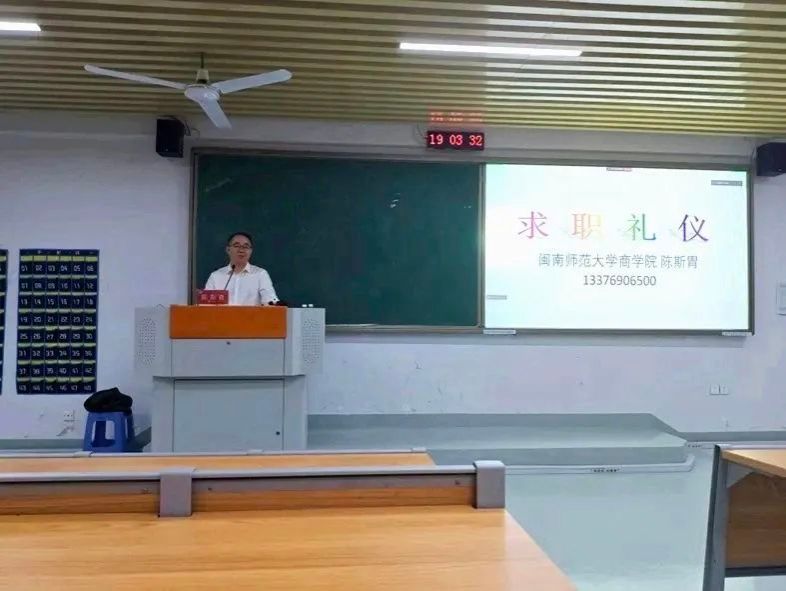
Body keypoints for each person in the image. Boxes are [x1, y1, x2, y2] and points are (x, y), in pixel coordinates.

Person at [204, 232, 278, 305]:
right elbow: (206, 305)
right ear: (228, 250)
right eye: (236, 246)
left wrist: (272, 303)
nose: (241, 250)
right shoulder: (216, 276)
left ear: (251, 251)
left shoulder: (260, 274)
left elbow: (270, 301)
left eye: (246, 247)